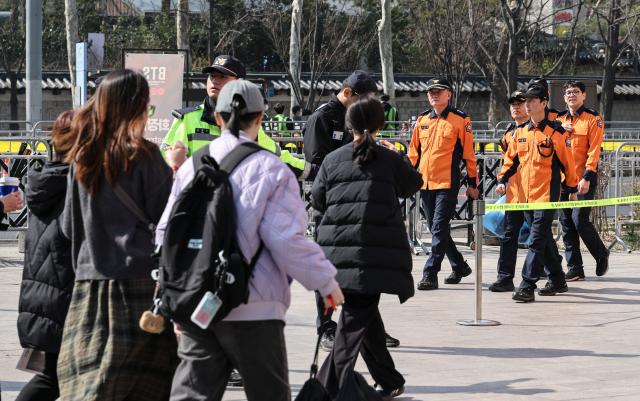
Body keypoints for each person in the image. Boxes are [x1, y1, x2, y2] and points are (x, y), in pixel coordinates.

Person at [156, 79, 344, 401]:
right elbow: (287, 241)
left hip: (196, 302)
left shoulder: (191, 167)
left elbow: (165, 233)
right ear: (260, 119)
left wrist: (169, 294)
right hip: (254, 308)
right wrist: (326, 282)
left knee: (191, 395)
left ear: (217, 118)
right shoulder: (271, 169)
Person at [57, 69, 177, 400]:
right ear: (138, 106)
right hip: (136, 286)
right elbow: (169, 219)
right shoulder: (145, 155)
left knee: (88, 381)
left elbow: (68, 226)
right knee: (143, 385)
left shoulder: (82, 156)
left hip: (87, 287)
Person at [313, 97, 422, 401]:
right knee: (354, 324)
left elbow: (318, 201)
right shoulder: (389, 160)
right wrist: (397, 155)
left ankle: (389, 381)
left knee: (363, 318)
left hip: (336, 256)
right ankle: (326, 390)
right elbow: (414, 184)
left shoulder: (332, 160)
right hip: (374, 258)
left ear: (348, 126)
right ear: (379, 125)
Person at [303, 70, 379, 351]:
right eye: (365, 99)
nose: (368, 106)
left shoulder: (355, 119)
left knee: (361, 266)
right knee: (328, 268)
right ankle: (326, 327)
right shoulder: (323, 118)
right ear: (348, 94)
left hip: (356, 202)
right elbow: (317, 165)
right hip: (330, 205)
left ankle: (369, 329)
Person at [161, 55, 313, 180]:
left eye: (222, 76)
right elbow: (166, 162)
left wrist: (316, 172)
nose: (215, 80)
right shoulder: (186, 119)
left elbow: (280, 158)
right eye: (212, 76)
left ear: (240, 84)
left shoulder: (248, 124)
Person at [496, 84, 579, 303]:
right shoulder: (519, 132)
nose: (528, 104)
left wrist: (571, 189)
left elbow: (568, 164)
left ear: (544, 103)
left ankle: (527, 284)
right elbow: (511, 161)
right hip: (524, 196)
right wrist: (502, 179)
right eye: (526, 101)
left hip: (546, 195)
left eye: (532, 100)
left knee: (536, 239)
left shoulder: (556, 132)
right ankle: (558, 279)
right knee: (544, 240)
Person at [15, 111, 74, 401]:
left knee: (54, 378)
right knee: (52, 379)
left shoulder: (48, 180)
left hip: (45, 296)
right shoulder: (73, 184)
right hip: (63, 297)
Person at [408, 78, 479, 291]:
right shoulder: (422, 121)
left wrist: (473, 182)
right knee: (436, 228)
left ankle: (430, 273)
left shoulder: (460, 120)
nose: (434, 95)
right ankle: (459, 266)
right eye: (431, 91)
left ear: (449, 95)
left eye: (439, 91)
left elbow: (469, 154)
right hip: (425, 182)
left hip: (448, 182)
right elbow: (414, 152)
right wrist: (407, 176)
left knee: (438, 227)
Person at [557, 80, 609, 280]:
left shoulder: (592, 119)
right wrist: (560, 127)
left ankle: (600, 253)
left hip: (583, 179)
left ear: (584, 95)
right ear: (564, 97)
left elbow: (594, 151)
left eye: (576, 92)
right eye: (568, 92)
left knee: (580, 220)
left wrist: (587, 176)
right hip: (563, 180)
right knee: (566, 223)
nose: (572, 95)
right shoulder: (559, 120)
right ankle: (575, 267)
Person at [489, 90, 528, 292]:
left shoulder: (540, 130)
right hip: (514, 193)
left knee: (541, 237)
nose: (516, 107)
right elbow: (507, 163)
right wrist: (502, 181)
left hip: (536, 194)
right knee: (509, 235)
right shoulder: (508, 134)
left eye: (520, 103)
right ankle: (505, 277)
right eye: (513, 103)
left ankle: (553, 271)